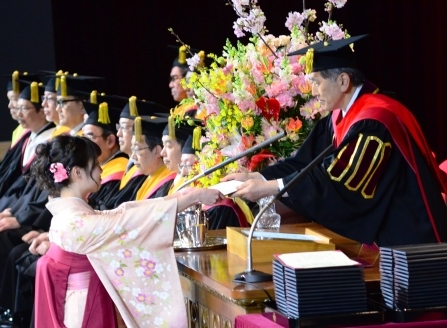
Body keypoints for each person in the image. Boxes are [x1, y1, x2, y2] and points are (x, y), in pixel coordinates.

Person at [223, 35, 447, 247]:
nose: (312, 91)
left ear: (343, 81)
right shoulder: (341, 116)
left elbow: (338, 181)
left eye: (317, 82)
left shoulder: (375, 121)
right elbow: (304, 162)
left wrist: (271, 188)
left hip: (411, 236)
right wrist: (256, 176)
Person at [29, 135, 223, 327]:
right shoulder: (76, 222)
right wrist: (191, 198)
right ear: (77, 173)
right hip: (83, 306)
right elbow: (127, 222)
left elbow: (121, 214)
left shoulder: (69, 215)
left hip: (84, 297)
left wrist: (179, 197)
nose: (101, 169)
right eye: (95, 164)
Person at [162, 118, 252, 228]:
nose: (184, 173)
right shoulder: (189, 197)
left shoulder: (221, 207)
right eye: (182, 165)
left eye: (190, 165)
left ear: (206, 167)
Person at [82, 103, 128, 210]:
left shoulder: (119, 171)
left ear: (110, 141)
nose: (84, 143)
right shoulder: (100, 166)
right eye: (82, 137)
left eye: (89, 137)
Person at [132, 116, 176, 200]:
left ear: (157, 151)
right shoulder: (147, 178)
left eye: (137, 149)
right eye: (133, 149)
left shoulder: (168, 181)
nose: (133, 156)